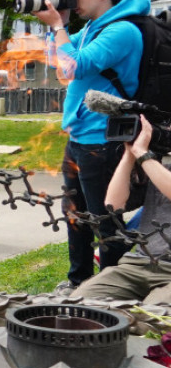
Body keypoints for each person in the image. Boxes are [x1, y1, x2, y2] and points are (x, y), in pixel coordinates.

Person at [33, 0, 151, 291]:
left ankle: (112, 288)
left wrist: (59, 26)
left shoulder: (122, 30)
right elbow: (57, 64)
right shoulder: (92, 29)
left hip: (103, 139)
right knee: (75, 213)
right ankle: (79, 281)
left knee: (105, 218)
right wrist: (59, 26)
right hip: (80, 137)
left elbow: (75, 66)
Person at [71, 115, 171, 311]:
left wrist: (143, 154)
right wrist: (129, 155)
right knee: (78, 306)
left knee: (152, 318)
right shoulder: (158, 165)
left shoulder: (153, 164)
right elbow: (113, 205)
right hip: (139, 264)